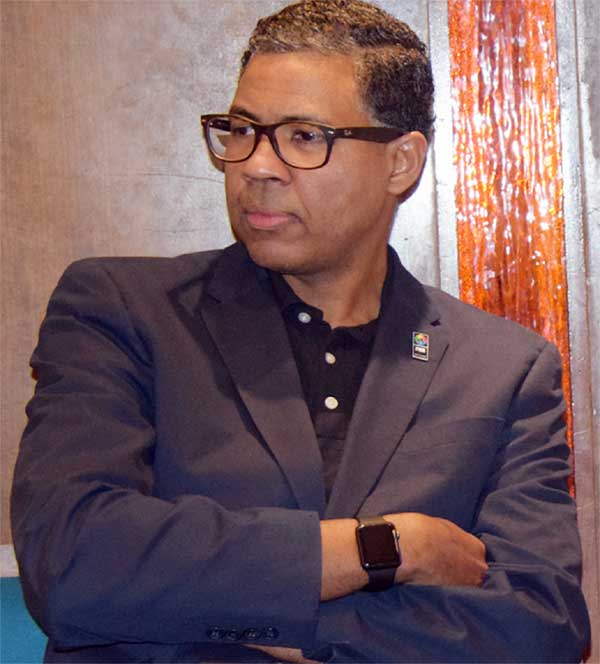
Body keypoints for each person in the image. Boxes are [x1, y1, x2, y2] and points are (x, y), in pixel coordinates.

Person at [11, 1, 590, 662]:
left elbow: (540, 627)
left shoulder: (504, 369)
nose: (256, 165)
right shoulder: (125, 310)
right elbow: (72, 561)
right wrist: (381, 548)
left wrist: (280, 620)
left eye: (305, 136)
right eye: (241, 130)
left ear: (400, 163)